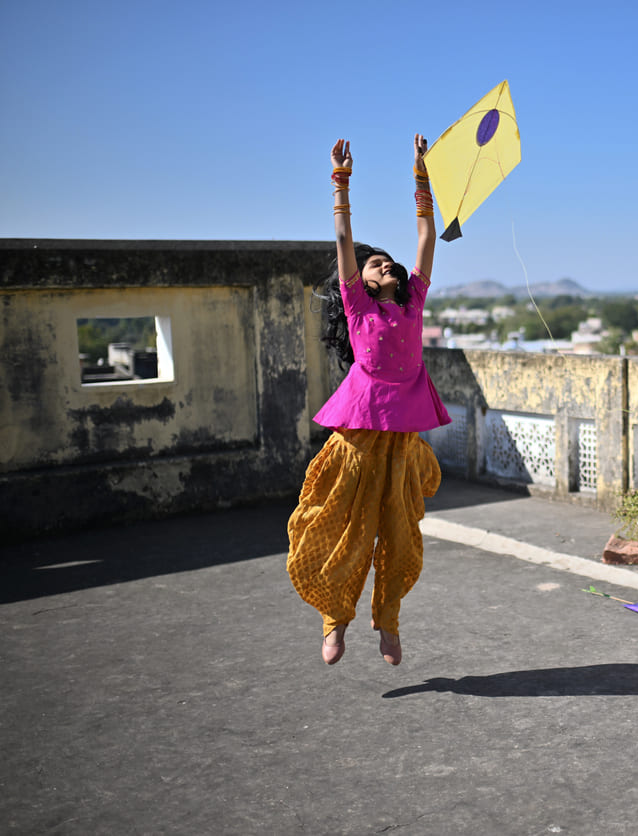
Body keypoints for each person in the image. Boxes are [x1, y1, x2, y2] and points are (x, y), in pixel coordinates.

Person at [286, 136, 450, 667]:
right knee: (348, 531)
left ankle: (390, 622)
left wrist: (421, 175)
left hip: (401, 436)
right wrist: (341, 180)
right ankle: (334, 621)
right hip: (359, 432)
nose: (385, 266)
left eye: (388, 263)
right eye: (375, 263)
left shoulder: (414, 302)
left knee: (399, 536)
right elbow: (342, 237)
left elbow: (427, 236)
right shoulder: (358, 306)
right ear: (361, 278)